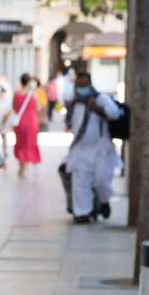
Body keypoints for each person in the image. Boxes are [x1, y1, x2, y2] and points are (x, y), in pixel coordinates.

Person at [63, 69, 122, 224]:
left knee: (102, 181)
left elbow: (115, 113)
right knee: (80, 182)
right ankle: (82, 212)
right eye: (79, 84)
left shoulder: (100, 98)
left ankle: (103, 202)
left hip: (101, 149)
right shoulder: (73, 102)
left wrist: (97, 108)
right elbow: (70, 123)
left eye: (84, 84)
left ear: (90, 84)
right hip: (80, 149)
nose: (81, 87)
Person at [12, 73, 42, 175]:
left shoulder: (17, 93)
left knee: (20, 143)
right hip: (32, 122)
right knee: (28, 144)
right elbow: (38, 108)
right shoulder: (33, 94)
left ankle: (21, 166)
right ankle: (24, 168)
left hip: (20, 122)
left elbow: (14, 107)